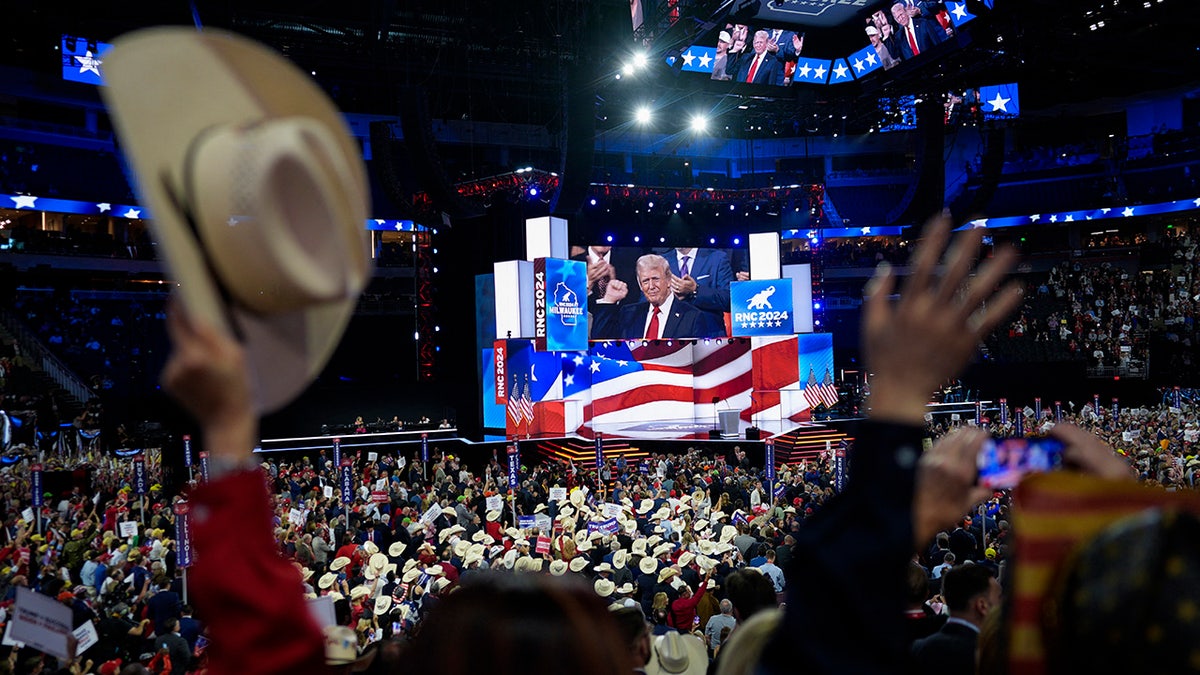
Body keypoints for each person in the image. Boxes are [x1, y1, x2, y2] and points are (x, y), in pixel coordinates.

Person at [591, 254, 723, 340]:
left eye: (655, 279)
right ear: (640, 285)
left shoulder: (692, 316)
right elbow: (600, 340)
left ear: (669, 280)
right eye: (645, 281)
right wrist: (609, 300)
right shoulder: (629, 313)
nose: (651, 286)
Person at [911, 564, 1001, 674]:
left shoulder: (918, 649)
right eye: (999, 597)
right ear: (982, 606)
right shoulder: (991, 656)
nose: (1003, 604)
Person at [658, 246, 734, 330]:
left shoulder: (717, 258)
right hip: (672, 334)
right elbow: (646, 302)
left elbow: (729, 300)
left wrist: (695, 290)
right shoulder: (660, 261)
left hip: (708, 333)